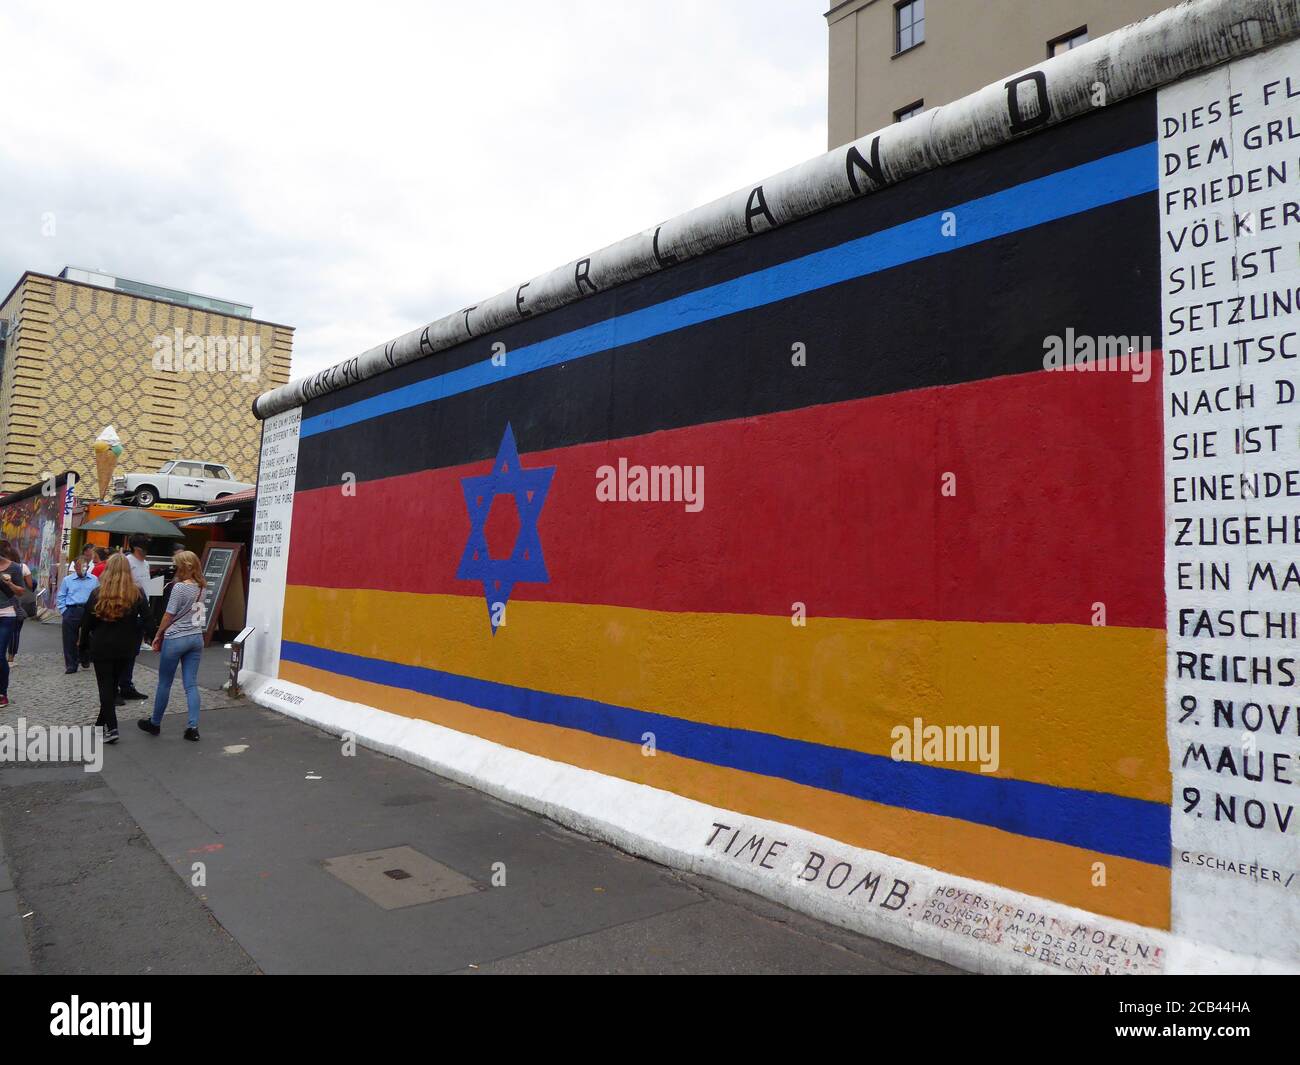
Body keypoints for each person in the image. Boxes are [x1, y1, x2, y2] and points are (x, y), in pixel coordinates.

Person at [78, 554, 150, 744]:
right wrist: (139, 630)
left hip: (102, 645)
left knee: (105, 686)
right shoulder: (137, 593)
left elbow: (86, 624)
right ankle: (101, 724)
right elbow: (149, 621)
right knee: (112, 684)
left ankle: (113, 727)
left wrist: (82, 646)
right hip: (126, 647)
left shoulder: (98, 593)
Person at [139, 550, 206, 742]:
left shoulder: (178, 588)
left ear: (184, 567)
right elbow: (198, 616)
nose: (175, 568)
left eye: (177, 565)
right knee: (191, 684)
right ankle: (192, 727)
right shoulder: (202, 587)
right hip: (195, 638)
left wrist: (158, 634)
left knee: (165, 682)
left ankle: (155, 722)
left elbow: (169, 614)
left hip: (176, 637)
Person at [116, 533, 153, 701]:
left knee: (132, 653)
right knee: (121, 653)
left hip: (141, 613)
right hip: (127, 613)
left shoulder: (146, 564)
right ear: (138, 547)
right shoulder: (127, 562)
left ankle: (126, 685)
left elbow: (147, 588)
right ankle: (115, 688)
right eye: (146, 544)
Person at [0, 540, 33, 709]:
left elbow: (21, 591)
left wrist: (9, 583)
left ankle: (2, 693)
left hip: (7, 614)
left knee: (0, 655)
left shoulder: (14, 567)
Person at [57, 557, 99, 673]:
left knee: (88, 636)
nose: (82, 569)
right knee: (69, 638)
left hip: (88, 609)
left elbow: (98, 594)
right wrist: (64, 611)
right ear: (75, 568)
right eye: (80, 567)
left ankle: (85, 657)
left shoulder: (94, 579)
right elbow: (61, 596)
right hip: (72, 609)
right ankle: (71, 664)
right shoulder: (68, 580)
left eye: (84, 567)